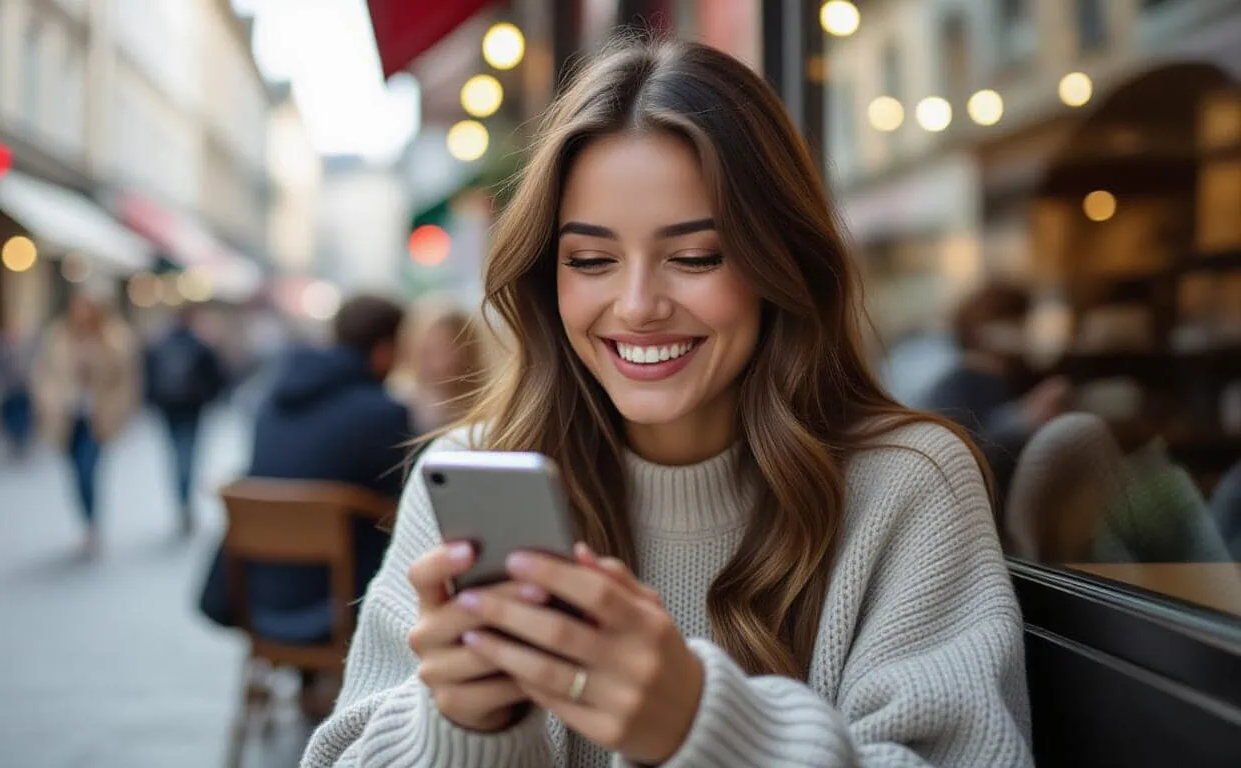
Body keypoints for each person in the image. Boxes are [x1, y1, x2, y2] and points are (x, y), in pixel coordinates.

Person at [301, 38, 1031, 768]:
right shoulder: (472, 473)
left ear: (780, 263)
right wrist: (461, 729)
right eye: (590, 261)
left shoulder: (909, 485)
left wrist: (700, 729)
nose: (639, 305)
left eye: (696, 256)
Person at [197, 294, 413, 715]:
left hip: (259, 601)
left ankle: (309, 683)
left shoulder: (272, 401)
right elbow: (404, 510)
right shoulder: (382, 414)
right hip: (336, 608)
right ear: (386, 349)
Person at [918, 281, 1071, 514]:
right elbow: (960, 459)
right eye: (1016, 323)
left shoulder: (1022, 377)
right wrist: (1023, 419)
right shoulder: (956, 387)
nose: (1025, 332)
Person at [31, 293, 140, 557]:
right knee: (75, 474)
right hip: (67, 418)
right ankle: (86, 522)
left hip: (97, 418)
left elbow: (126, 381)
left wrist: (118, 410)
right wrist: (50, 402)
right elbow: (43, 374)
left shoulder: (114, 339)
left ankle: (92, 525)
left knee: (88, 470)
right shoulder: (58, 337)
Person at [145, 305, 229, 536]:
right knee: (188, 454)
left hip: (169, 408)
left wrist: (153, 402)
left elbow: (148, 373)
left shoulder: (161, 344)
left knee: (175, 453)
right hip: (192, 407)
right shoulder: (199, 344)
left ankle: (181, 501)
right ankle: (184, 502)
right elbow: (218, 376)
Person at [397, 305, 487, 433]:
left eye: (452, 352)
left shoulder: (484, 403)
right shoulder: (399, 401)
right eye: (430, 352)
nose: (442, 363)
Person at [0, 325, 36, 458]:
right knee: (10, 417)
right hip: (7, 391)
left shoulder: (22, 351)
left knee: (21, 417)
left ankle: (21, 439)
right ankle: (15, 439)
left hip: (20, 390)